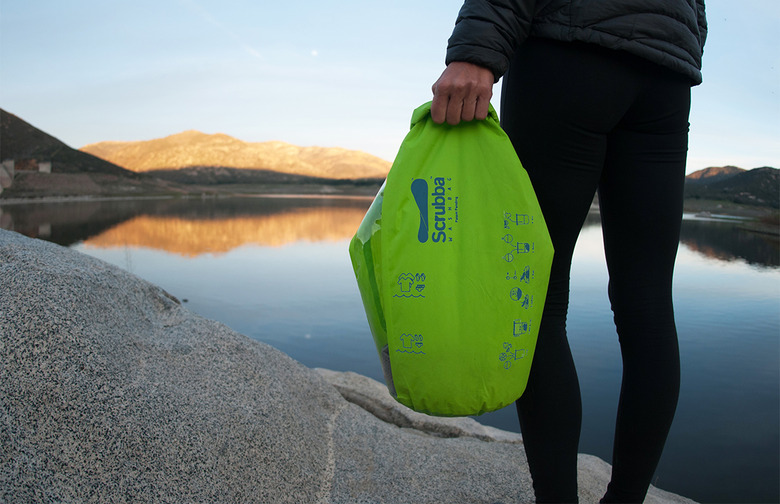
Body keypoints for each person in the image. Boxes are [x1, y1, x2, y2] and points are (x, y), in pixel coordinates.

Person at [430, 1, 707, 503]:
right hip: (666, 76)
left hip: (567, 51)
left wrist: (475, 52)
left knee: (536, 297)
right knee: (646, 302)